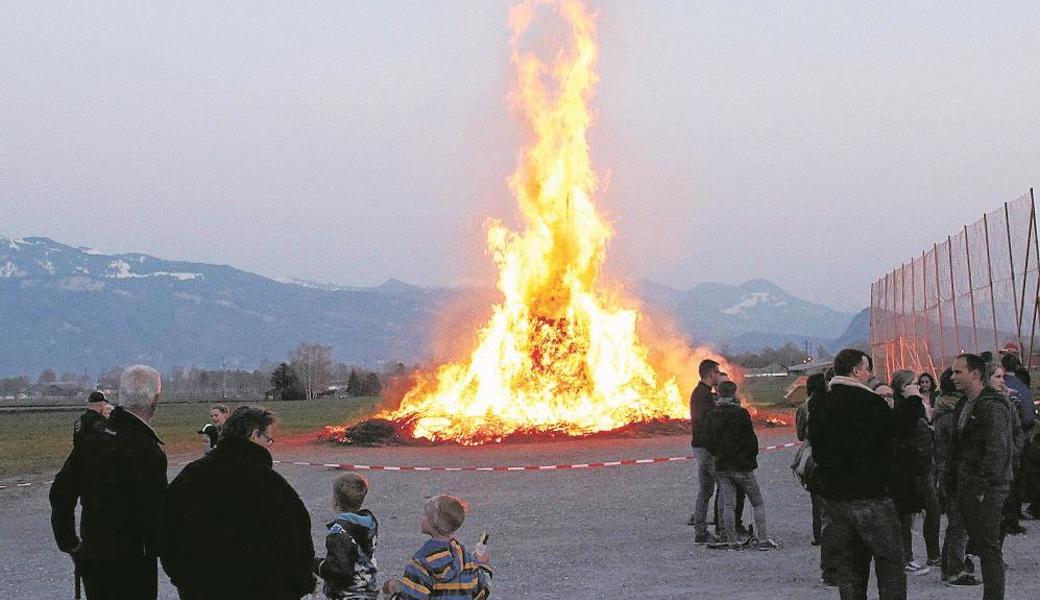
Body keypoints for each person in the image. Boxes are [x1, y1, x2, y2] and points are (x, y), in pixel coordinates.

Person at [158, 406, 316, 600]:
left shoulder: (189, 476)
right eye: (268, 439)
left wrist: (185, 581)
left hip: (200, 591)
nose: (269, 445)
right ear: (254, 434)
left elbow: (167, 535)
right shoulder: (271, 486)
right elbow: (298, 544)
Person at [50, 365, 167, 600]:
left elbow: (61, 492)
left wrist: (70, 542)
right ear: (155, 399)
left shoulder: (93, 437)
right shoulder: (147, 450)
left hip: (94, 553)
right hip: (134, 560)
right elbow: (156, 514)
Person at [809, 348, 906, 600]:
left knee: (850, 568)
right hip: (873, 497)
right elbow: (893, 446)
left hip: (837, 499)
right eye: (867, 369)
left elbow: (817, 451)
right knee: (890, 565)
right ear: (856, 371)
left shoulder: (821, 404)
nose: (869, 374)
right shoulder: (872, 404)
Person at [947, 353, 1014, 599]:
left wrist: (981, 486)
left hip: (987, 487)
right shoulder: (966, 404)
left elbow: (998, 448)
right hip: (971, 485)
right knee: (982, 544)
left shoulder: (991, 406)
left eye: (958, 372)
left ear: (974, 374)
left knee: (988, 547)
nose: (953, 376)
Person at [702, 381, 779, 551]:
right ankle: (763, 539)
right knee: (757, 502)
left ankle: (732, 541)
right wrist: (750, 458)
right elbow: (751, 440)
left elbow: (707, 441)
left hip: (722, 467)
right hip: (743, 467)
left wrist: (718, 455)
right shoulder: (741, 414)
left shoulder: (711, 415)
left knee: (729, 504)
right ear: (734, 394)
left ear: (719, 394)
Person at [382, 495, 492, 600]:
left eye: (425, 514)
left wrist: (393, 592)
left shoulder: (420, 563)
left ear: (434, 522)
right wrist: (482, 565)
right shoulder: (468, 562)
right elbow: (482, 592)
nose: (421, 517)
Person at [888, 370, 939, 575]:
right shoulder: (907, 407)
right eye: (914, 383)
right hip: (911, 468)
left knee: (919, 512)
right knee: (906, 515)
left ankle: (917, 555)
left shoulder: (912, 407)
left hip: (920, 466)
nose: (918, 386)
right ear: (903, 387)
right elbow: (907, 431)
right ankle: (906, 557)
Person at [934, 368, 979, 585]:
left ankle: (951, 565)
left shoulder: (943, 411)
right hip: (954, 475)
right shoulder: (953, 415)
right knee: (959, 524)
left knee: (957, 523)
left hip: (948, 474)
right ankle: (954, 569)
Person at [314, 472, 379, 600]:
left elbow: (339, 571)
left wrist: (316, 564)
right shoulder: (368, 523)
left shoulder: (338, 531)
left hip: (346, 595)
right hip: (367, 591)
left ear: (335, 501)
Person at [689, 358, 723, 543]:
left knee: (706, 490)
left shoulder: (701, 393)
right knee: (724, 486)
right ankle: (723, 529)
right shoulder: (702, 395)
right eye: (717, 372)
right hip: (706, 448)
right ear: (710, 374)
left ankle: (701, 531)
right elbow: (707, 423)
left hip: (700, 446)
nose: (719, 375)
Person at [796, 373, 827, 547]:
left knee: (816, 498)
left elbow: (800, 435)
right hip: (832, 454)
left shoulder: (804, 407)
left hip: (813, 455)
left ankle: (819, 535)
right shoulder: (833, 404)